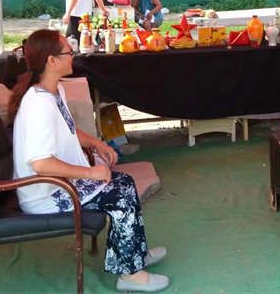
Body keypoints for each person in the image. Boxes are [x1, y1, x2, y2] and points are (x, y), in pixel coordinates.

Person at [10, 29, 170, 292]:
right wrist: (91, 173)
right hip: (46, 195)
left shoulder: (54, 90)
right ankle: (130, 275)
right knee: (119, 196)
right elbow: (41, 164)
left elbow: (69, 129)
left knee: (124, 183)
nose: (73, 54)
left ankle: (135, 254)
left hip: (60, 185)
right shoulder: (39, 105)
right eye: (68, 51)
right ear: (52, 61)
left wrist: (97, 143)